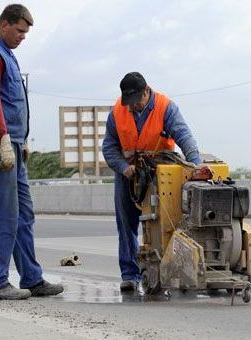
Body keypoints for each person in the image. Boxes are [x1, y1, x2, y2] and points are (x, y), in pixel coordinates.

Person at [0, 4, 63, 300]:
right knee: (1, 213)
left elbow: (11, 104)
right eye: (20, 32)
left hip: (12, 145)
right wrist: (1, 139)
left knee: (23, 213)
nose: (23, 38)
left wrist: (20, 141)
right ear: (4, 25)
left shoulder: (7, 54)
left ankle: (32, 278)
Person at [102, 72, 202, 291]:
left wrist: (196, 167)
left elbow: (184, 136)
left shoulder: (166, 108)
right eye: (130, 102)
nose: (134, 106)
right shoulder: (118, 111)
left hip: (159, 176)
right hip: (129, 176)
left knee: (166, 223)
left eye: (137, 101)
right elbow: (109, 147)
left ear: (147, 91)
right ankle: (130, 274)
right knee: (126, 225)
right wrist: (123, 168)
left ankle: (168, 270)